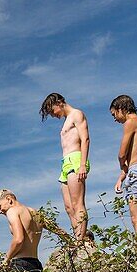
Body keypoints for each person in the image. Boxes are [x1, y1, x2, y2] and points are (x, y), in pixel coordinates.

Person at [40, 92, 90, 241]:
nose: (53, 115)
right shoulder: (66, 120)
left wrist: (82, 165)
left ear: (59, 102)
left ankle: (81, 240)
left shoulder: (77, 114)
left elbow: (85, 139)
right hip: (65, 162)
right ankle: (77, 238)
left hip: (76, 159)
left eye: (52, 111)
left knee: (77, 202)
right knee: (69, 207)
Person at [111, 94, 137, 235]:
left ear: (121, 108)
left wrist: (122, 166)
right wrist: (121, 177)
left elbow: (122, 154)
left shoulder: (131, 122)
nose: (115, 118)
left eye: (114, 114)